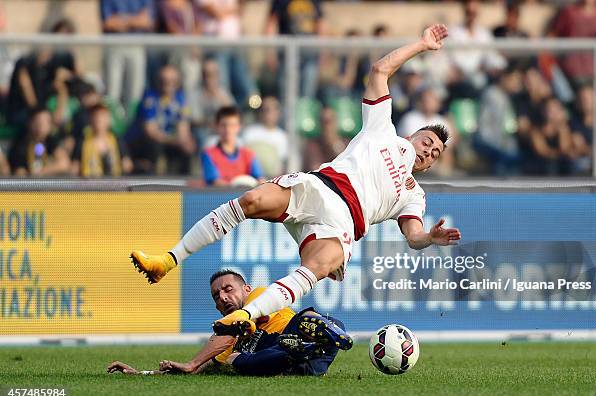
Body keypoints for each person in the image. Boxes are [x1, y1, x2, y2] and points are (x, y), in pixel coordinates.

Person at [131, 24, 461, 337]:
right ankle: (166, 261)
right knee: (251, 200)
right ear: (411, 136)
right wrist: (422, 45)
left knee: (319, 266)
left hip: (343, 222)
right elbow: (379, 70)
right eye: (426, 142)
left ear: (431, 166)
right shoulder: (383, 130)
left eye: (435, 154)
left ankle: (245, 316)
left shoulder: (414, 196)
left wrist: (430, 237)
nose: (429, 151)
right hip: (318, 187)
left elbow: (413, 236)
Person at [108, 269, 350, 376]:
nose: (223, 297)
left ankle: (308, 338)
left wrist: (192, 363)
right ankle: (302, 350)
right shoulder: (226, 343)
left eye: (228, 289)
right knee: (236, 360)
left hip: (292, 331)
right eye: (216, 295)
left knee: (314, 323)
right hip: (295, 364)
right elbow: (200, 368)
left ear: (246, 289)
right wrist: (141, 373)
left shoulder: (260, 295)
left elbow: (232, 328)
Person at [126, 65, 195, 175]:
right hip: (143, 141)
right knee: (155, 147)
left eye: (172, 81)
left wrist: (183, 141)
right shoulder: (149, 98)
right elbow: (150, 131)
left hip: (168, 140)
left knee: (187, 148)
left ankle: (184, 184)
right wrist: (174, 141)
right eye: (164, 80)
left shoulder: (180, 98)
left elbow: (183, 127)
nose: (167, 84)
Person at [100, 0, 154, 107]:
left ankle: (131, 122)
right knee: (112, 91)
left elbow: (146, 21)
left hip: (136, 45)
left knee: (135, 92)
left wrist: (121, 20)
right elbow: (108, 23)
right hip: (114, 45)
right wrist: (134, 20)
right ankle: (113, 122)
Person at [200, 106, 264, 186]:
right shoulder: (209, 154)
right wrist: (237, 187)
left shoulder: (249, 154)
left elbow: (260, 179)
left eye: (232, 125)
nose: (228, 129)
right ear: (216, 126)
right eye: (224, 125)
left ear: (239, 127)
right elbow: (214, 182)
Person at [71, 103, 133, 177]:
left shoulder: (116, 139)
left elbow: (127, 164)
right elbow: (74, 168)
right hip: (89, 185)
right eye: (96, 116)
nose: (99, 119)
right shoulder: (83, 141)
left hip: (114, 185)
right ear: (90, 119)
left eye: (102, 116)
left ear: (108, 119)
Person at [8, 108, 70, 176]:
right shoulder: (20, 144)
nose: (41, 125)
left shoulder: (51, 140)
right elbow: (19, 172)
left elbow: (64, 163)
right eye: (38, 121)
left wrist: (41, 172)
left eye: (46, 122)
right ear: (30, 122)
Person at [242, 96, 289, 177]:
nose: (269, 113)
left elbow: (282, 164)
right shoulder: (249, 132)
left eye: (273, 109)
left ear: (278, 113)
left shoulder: (282, 136)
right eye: (265, 109)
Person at [303, 107, 348, 172]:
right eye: (323, 121)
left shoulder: (346, 144)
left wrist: (335, 145)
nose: (327, 126)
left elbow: (346, 167)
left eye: (329, 121)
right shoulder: (313, 146)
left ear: (336, 121)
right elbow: (314, 169)